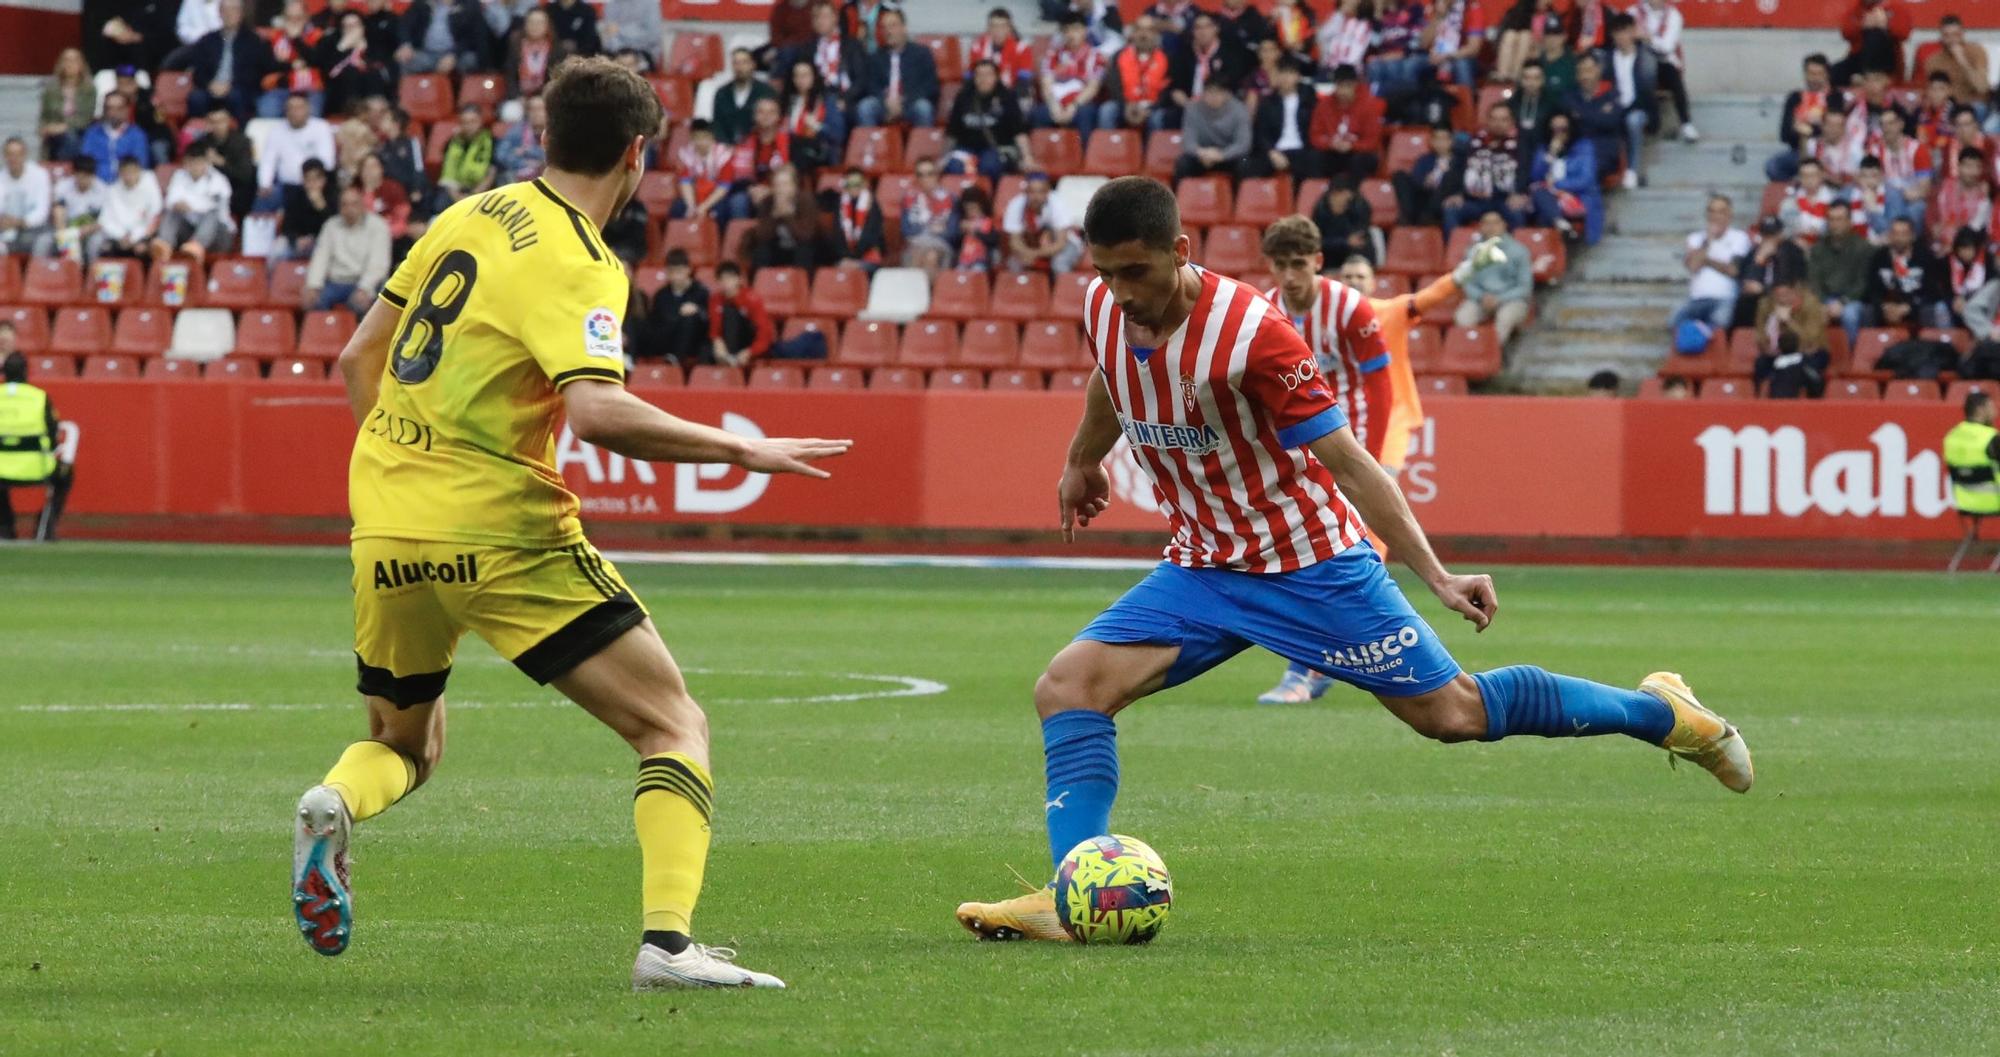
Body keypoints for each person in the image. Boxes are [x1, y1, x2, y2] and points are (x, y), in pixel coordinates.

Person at [952, 176, 1753, 941]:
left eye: (1137, 271)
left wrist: (1434, 574)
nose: (1123, 292)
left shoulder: (1254, 334)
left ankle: (1666, 714)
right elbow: (1108, 379)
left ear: (1182, 248)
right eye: (1107, 272)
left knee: (1453, 715)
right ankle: (1072, 892)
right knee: (1068, 687)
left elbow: (1350, 462)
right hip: (1203, 567)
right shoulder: (1101, 305)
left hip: (1310, 565)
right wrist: (1081, 461)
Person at [297, 57, 847, 990]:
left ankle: (333, 800)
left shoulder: (468, 212)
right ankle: (668, 946)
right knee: (673, 723)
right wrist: (740, 448)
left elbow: (358, 356)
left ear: (545, 138)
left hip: (386, 523)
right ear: (636, 154)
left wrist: (410, 478)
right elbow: (596, 412)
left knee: (404, 745)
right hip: (501, 530)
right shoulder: (583, 261)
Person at [0, 348, 73, 542]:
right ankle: (46, 525)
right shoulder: (39, 397)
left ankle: (5, 526)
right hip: (37, 469)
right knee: (66, 474)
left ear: (3, 373)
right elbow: (52, 435)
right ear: (26, 372)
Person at [1668, 194, 1750, 344]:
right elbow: (1693, 266)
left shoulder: (1740, 237)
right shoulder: (1695, 238)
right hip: (1697, 298)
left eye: (1721, 211)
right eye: (1712, 211)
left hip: (1724, 297)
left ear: (1729, 214)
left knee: (1720, 322)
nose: (1715, 216)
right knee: (1674, 321)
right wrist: (1709, 241)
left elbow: (1733, 270)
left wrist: (1705, 259)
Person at [708, 260, 825, 363]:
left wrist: (750, 352)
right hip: (732, 345)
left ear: (738, 279)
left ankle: (813, 337)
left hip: (754, 344)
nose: (726, 283)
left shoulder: (751, 299)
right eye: (722, 279)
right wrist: (717, 343)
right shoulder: (715, 300)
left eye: (729, 278)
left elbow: (764, 333)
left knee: (791, 350)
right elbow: (715, 327)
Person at [174, 0, 271, 122]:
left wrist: (230, 86)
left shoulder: (253, 41)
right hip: (211, 87)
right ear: (219, 13)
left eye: (233, 10)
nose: (229, 14)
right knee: (196, 98)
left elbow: (255, 73)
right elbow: (198, 71)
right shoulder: (207, 40)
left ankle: (238, 136)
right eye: (225, 10)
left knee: (237, 97)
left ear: (241, 13)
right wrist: (210, 84)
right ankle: (198, 136)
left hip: (239, 88)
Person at [304, 183, 391, 313]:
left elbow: (378, 265)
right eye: (344, 205)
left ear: (362, 205)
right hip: (335, 282)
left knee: (362, 305)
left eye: (354, 204)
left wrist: (364, 288)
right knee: (312, 301)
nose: (349, 209)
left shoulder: (378, 226)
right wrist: (313, 286)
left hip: (364, 282)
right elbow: (320, 258)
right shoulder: (330, 226)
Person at [1441, 103, 1528, 230]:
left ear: (1511, 122)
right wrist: (1458, 193)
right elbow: (1459, 171)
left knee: (1517, 213)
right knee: (1451, 209)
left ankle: (1514, 250)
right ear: (1487, 120)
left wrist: (1519, 193)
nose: (1498, 123)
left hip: (1505, 200)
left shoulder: (1521, 146)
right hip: (1474, 200)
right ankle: (1454, 249)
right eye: (1494, 119)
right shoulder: (1471, 143)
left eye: (1503, 120)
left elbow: (1524, 173)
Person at [1452, 210, 1532, 345]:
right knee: (1463, 318)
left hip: (1511, 300)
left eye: (1495, 223)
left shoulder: (1519, 251)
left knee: (1505, 318)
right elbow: (1467, 282)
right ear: (1481, 227)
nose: (1491, 227)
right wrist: (1481, 297)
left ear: (1504, 225)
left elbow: (1525, 287)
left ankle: (1490, 357)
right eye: (1486, 223)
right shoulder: (1473, 251)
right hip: (1480, 299)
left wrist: (1500, 298)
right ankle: (1471, 353)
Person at [944, 60, 1032, 180]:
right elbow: (952, 131)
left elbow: (1019, 131)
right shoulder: (964, 97)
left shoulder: (1007, 97)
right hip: (967, 148)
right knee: (954, 166)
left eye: (988, 74)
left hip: (998, 148)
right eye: (979, 75)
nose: (983, 79)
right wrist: (943, 157)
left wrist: (1027, 157)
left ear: (996, 77)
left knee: (989, 166)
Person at [1597, 14, 1656, 190]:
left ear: (1633, 32)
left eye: (1625, 32)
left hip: (1640, 107)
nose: (1621, 37)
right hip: (1615, 105)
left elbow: (1647, 91)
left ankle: (1632, 169)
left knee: (1633, 120)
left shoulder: (1646, 57)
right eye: (1617, 33)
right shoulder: (1607, 59)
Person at [1944, 391, 2000, 572]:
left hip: (1964, 500)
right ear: (1980, 409)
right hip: (1994, 499)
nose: (1996, 411)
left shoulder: (1951, 436)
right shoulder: (1991, 438)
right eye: (1992, 407)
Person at [150, 145, 235, 263]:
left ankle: (197, 245)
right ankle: (165, 244)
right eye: (192, 163)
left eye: (199, 163)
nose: (195, 167)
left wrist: (190, 206)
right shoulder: (179, 176)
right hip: (189, 230)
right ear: (186, 163)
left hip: (218, 233)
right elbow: (171, 200)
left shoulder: (218, 180)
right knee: (172, 210)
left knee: (212, 213)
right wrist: (178, 204)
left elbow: (212, 206)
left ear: (206, 163)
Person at [1768, 53, 1845, 183]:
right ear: (1804, 74)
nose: (1814, 78)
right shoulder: (1795, 97)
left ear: (1827, 75)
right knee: (1773, 166)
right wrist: (1813, 130)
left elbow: (1836, 129)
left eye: (1819, 73)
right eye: (1810, 73)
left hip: (1828, 150)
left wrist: (1807, 130)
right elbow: (1784, 135)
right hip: (1798, 152)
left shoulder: (1835, 97)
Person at [1526, 110, 1601, 244]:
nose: (1559, 134)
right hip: (1549, 197)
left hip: (1577, 196)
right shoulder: (1544, 148)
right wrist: (1551, 154)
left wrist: (1557, 184)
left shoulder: (1584, 147)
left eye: (1563, 129)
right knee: (1540, 197)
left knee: (1544, 208)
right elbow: (1535, 176)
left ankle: (1558, 237)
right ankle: (1560, 226)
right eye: (1554, 130)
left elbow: (1586, 179)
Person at [856, 10, 939, 129]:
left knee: (924, 108)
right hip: (884, 103)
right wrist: (886, 101)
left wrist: (904, 101)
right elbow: (870, 86)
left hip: (911, 102)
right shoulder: (876, 57)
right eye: (885, 28)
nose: (888, 31)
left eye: (893, 26)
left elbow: (931, 86)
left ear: (904, 28)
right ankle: (871, 147)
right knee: (865, 107)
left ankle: (922, 147)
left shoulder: (922, 53)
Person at [1864, 216, 1950, 329]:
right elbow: (1871, 290)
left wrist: (1908, 308)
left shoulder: (1925, 257)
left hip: (1916, 308)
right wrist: (1884, 307)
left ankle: (1930, 344)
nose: (1899, 238)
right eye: (1895, 233)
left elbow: (1932, 293)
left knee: (1933, 309)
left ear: (1912, 236)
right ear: (1889, 235)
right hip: (1886, 308)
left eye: (1904, 233)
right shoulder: (1880, 257)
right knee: (1867, 310)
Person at [1807, 199, 1872, 346]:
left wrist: (1842, 302)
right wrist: (1821, 303)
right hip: (1825, 298)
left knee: (1849, 315)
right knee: (1810, 310)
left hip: (1852, 300)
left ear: (1849, 221)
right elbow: (1813, 280)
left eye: (1840, 219)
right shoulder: (1818, 248)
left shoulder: (1864, 248)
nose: (1835, 224)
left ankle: (1850, 355)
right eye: (1831, 219)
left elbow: (1863, 283)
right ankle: (1813, 357)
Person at [258, 91, 337, 210]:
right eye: (291, 108)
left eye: (299, 108)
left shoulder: (321, 127)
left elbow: (327, 162)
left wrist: (312, 182)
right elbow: (268, 161)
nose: (295, 112)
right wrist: (264, 184)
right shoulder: (276, 130)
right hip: (286, 186)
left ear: (308, 109)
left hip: (315, 184)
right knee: (264, 198)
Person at [1245, 55, 1317, 184]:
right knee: (1246, 165)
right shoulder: (1267, 102)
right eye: (1282, 73)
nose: (1285, 78)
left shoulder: (1309, 100)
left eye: (1290, 73)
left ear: (1298, 77)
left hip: (1301, 151)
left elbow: (1314, 129)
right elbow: (1261, 134)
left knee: (1315, 160)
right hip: (1275, 150)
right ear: (1276, 76)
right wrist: (1271, 152)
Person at [1306, 64, 1381, 183]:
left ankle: (1354, 195)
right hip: (1333, 151)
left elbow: (1372, 140)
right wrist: (1330, 143)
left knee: (1361, 160)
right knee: (1313, 158)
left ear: (1355, 85)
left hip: (1358, 152)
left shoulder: (1368, 105)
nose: (1344, 91)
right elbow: (1315, 135)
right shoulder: (1323, 106)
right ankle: (1319, 194)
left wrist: (1353, 146)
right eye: (1340, 86)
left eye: (1348, 86)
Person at [1035, 14, 1106, 138]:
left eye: (1076, 29)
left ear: (1085, 31)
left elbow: (1093, 87)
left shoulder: (1096, 57)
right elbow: (1046, 84)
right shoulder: (1053, 55)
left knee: (1085, 113)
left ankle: (1084, 156)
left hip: (1081, 103)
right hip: (1056, 102)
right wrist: (1054, 106)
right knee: (1039, 113)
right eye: (1067, 30)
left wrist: (1073, 106)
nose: (1071, 34)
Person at [1752, 283, 1829, 398]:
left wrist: (1788, 321)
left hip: (1809, 353)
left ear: (1795, 293)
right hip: (1779, 353)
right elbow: (1760, 337)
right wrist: (1768, 344)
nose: (1782, 299)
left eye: (1786, 295)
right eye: (1778, 295)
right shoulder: (1767, 306)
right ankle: (1758, 401)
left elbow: (1810, 340)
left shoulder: (1811, 306)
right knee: (1761, 363)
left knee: (1806, 369)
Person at [1631, 0, 1693, 142]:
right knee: (1644, 69)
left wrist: (1648, 38)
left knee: (1672, 76)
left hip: (1664, 61)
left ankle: (1686, 123)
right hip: (1639, 61)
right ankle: (1652, 121)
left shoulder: (1673, 15)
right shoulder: (1634, 12)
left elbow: (1667, 46)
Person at [743, 163, 825, 271]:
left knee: (804, 251)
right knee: (761, 252)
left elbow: (806, 236)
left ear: (794, 186)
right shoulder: (768, 202)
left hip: (803, 247)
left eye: (785, 184)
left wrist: (788, 216)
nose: (781, 189)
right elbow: (762, 236)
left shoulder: (806, 201)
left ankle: (801, 285)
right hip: (779, 248)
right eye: (778, 185)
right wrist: (775, 215)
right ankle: (761, 284)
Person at [1164, 13, 1237, 131]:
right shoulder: (1184, 54)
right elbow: (1175, 87)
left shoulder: (1230, 54)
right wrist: (1187, 104)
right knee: (1162, 117)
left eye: (1207, 27)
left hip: (1218, 105)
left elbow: (1232, 87)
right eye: (1198, 28)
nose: (1202, 32)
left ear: (1216, 29)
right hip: (1188, 106)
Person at [1099, 15, 1172, 133]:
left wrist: (1151, 108)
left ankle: (1155, 151)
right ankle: (1108, 150)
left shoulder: (1166, 58)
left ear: (1155, 34)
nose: (1143, 34)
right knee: (1107, 110)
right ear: (1133, 33)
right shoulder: (1119, 55)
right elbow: (1114, 85)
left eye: (1149, 30)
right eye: (1139, 29)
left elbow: (1167, 90)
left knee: (1157, 117)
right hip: (1125, 105)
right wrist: (1126, 105)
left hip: (1153, 107)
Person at [1002, 171, 1081, 273]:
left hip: (1065, 244)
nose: (1036, 197)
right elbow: (1014, 241)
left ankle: (1065, 289)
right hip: (1031, 244)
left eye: (1040, 192)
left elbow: (1061, 243)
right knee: (1014, 263)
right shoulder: (1016, 205)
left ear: (1047, 191)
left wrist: (1034, 254)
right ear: (1026, 192)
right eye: (1032, 192)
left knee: (1059, 263)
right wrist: (1027, 253)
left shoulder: (1058, 203)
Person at [778, 59, 846, 177]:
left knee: (797, 152)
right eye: (796, 76)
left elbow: (838, 134)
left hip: (819, 149)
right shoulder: (789, 102)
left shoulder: (827, 100)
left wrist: (817, 126)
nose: (800, 80)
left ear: (814, 77)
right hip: (792, 146)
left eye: (805, 75)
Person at [1173, 78, 1251, 181]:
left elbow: (1243, 144)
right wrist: (1201, 153)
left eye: (1218, 93)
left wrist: (1221, 155)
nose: (1214, 97)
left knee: (1244, 165)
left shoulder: (1240, 110)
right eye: (1209, 92)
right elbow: (1188, 141)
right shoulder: (1192, 108)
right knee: (1183, 164)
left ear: (1227, 94)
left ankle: (1239, 196)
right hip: (1202, 155)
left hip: (1228, 156)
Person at [1566, 52, 1624, 188]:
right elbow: (1573, 125)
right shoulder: (1569, 96)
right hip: (1576, 150)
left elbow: (1611, 121)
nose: (1585, 75)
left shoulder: (1611, 94)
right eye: (1581, 71)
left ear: (1598, 70)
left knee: (1588, 172)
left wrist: (1581, 116)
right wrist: (1598, 114)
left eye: (1589, 70)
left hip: (1604, 152)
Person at [642, 248, 709, 363]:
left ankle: (676, 357)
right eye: (671, 272)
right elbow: (654, 323)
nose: (675, 276)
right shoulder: (661, 295)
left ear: (688, 270)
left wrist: (697, 310)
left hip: (693, 343)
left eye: (679, 271)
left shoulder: (701, 292)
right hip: (666, 340)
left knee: (689, 319)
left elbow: (707, 320)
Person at [396, 0, 494, 74]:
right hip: (426, 54)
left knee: (470, 60)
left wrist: (454, 55)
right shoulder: (422, 3)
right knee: (404, 60)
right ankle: (409, 98)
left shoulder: (469, 5)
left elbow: (472, 37)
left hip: (457, 54)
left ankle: (464, 99)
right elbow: (405, 25)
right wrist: (406, 44)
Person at [34, 165, 108, 262]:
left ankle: (91, 275)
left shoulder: (103, 190)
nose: (82, 180)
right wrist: (66, 235)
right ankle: (39, 274)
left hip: (91, 231)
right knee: (43, 241)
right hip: (66, 229)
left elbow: (105, 220)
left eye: (86, 177)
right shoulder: (63, 186)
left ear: (93, 176)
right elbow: (58, 212)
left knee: (95, 243)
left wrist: (83, 231)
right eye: (79, 176)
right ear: (74, 175)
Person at [900, 157, 958, 275]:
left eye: (929, 174)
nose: (925, 179)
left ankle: (930, 292)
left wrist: (926, 229)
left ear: (937, 175)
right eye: (920, 175)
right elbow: (906, 230)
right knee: (917, 254)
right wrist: (931, 228)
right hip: (916, 243)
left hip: (941, 244)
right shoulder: (909, 199)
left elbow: (952, 232)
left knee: (931, 256)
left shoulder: (951, 199)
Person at [77, 92, 151, 184]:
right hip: (97, 185)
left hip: (127, 185)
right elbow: (85, 163)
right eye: (109, 108)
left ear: (127, 109)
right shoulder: (92, 133)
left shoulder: (137, 135)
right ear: (104, 110)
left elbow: (140, 164)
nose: (113, 113)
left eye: (119, 108)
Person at [1930, 148, 1993, 256]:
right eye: (1968, 166)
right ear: (1959, 167)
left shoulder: (1984, 194)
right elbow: (1933, 217)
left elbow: (1976, 228)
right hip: (1939, 244)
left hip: (1968, 248)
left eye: (1977, 167)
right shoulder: (1944, 187)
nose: (1973, 172)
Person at [1831, 0, 1909, 87]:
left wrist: (1886, 25)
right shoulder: (1856, 9)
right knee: (1833, 72)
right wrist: (1863, 25)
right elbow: (1846, 32)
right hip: (1858, 58)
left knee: (1875, 35)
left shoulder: (1895, 8)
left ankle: (1869, 77)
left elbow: (1904, 33)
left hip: (1888, 63)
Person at [97, 156, 163, 259]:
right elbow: (105, 220)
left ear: (139, 171)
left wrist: (134, 237)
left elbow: (154, 215)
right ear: (119, 173)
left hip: (142, 234)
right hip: (118, 236)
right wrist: (121, 236)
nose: (129, 176)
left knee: (143, 248)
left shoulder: (150, 184)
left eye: (132, 172)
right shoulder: (112, 190)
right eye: (125, 173)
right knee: (104, 248)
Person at [1917, 14, 1988, 107]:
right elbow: (1931, 91)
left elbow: (1982, 87)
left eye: (1956, 35)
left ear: (1962, 34)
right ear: (1941, 36)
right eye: (1947, 35)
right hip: (1947, 107)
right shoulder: (1933, 60)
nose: (1952, 39)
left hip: (1972, 105)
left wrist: (1963, 61)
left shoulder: (1977, 52)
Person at [1392, 123, 1455, 227]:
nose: (1440, 143)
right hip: (1423, 196)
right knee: (1399, 176)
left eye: (1444, 139)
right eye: (1436, 139)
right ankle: (1408, 215)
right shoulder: (1425, 159)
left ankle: (1422, 218)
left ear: (1451, 141)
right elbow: (1416, 179)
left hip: (1441, 200)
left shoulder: (1458, 161)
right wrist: (1425, 181)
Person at [39, 48, 95, 163]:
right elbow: (44, 115)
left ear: (81, 64)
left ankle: (65, 166)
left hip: (80, 131)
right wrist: (44, 127)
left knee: (71, 138)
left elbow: (86, 118)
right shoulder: (51, 89)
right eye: (67, 60)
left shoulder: (89, 89)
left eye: (74, 60)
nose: (70, 64)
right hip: (54, 134)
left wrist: (63, 127)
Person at [0, 138, 54, 256]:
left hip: (35, 229)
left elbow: (42, 212)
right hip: (7, 229)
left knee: (42, 242)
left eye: (17, 154)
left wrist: (19, 222)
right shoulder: (1, 177)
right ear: (4, 156)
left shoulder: (40, 175)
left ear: (24, 155)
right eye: (9, 154)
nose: (13, 159)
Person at [712, 48, 777, 146]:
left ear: (753, 65)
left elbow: (771, 124)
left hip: (757, 149)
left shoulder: (766, 92)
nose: (740, 67)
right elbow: (718, 125)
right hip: (727, 149)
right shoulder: (721, 93)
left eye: (744, 62)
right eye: (736, 63)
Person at [672, 118, 733, 221]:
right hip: (695, 194)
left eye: (704, 138)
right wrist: (691, 207)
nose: (700, 142)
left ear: (712, 137)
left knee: (722, 211)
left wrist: (704, 207)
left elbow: (724, 186)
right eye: (697, 138)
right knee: (677, 208)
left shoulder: (723, 155)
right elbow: (685, 182)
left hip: (715, 197)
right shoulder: (685, 154)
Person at [435, 105, 496, 207]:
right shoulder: (452, 143)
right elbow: (448, 173)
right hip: (456, 191)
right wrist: (458, 197)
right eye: (465, 122)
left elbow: (491, 174)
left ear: (481, 121)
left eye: (473, 121)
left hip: (481, 191)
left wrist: (473, 196)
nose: (469, 126)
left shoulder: (491, 141)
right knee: (440, 203)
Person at [966, 7, 1036, 95]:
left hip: (1011, 94)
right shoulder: (977, 46)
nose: (998, 31)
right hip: (983, 94)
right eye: (994, 26)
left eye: (1002, 26)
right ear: (988, 28)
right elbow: (970, 76)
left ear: (1009, 28)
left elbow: (1024, 81)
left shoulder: (1022, 48)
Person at [280, 156, 337, 259]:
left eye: (316, 179)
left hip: (323, 243)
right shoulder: (296, 196)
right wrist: (296, 239)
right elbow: (287, 227)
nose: (312, 184)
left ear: (323, 179)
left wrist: (323, 208)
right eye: (308, 180)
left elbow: (336, 228)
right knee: (279, 247)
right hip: (299, 243)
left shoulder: (333, 196)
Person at [1309, 176, 1374, 265]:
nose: (1344, 202)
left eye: (1348, 199)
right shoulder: (1321, 209)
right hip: (1329, 251)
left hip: (1351, 251)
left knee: (1362, 247)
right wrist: (1344, 242)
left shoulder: (1359, 206)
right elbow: (1317, 241)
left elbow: (1359, 235)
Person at [830, 165, 884, 267]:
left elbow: (872, 238)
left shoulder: (872, 205)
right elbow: (837, 235)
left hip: (868, 257)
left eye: (857, 183)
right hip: (845, 258)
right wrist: (846, 257)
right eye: (850, 184)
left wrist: (854, 259)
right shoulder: (840, 205)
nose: (854, 187)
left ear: (864, 184)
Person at [1778, 157, 1838, 246]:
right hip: (1796, 246)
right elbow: (1783, 229)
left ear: (1822, 175)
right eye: (1805, 176)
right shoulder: (1790, 202)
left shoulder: (1834, 199)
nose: (1809, 180)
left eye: (1813, 175)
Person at [494, 93, 550, 185]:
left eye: (540, 109)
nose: (536, 113)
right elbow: (501, 154)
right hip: (518, 178)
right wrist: (525, 164)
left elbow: (555, 158)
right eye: (532, 109)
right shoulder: (517, 130)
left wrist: (527, 151)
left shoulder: (555, 132)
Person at [1315, 0, 1376, 81]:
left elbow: (1355, 55)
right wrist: (1340, 14)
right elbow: (1321, 37)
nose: (1350, 3)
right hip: (1328, 67)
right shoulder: (1339, 19)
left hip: (1350, 71)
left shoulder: (1365, 25)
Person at [506, 8, 561, 97]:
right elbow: (510, 75)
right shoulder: (515, 45)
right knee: (510, 110)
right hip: (519, 96)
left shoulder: (557, 49)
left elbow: (556, 79)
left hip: (546, 97)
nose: (535, 26)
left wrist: (541, 97)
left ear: (547, 26)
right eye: (531, 22)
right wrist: (518, 97)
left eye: (539, 22)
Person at [1945, 227, 1993, 328]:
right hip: (1954, 304)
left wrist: (1967, 300)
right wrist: (1954, 299)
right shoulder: (1947, 262)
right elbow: (1942, 287)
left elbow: (1990, 288)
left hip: (1981, 302)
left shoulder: (1988, 262)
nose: (1965, 253)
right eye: (1961, 249)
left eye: (1968, 249)